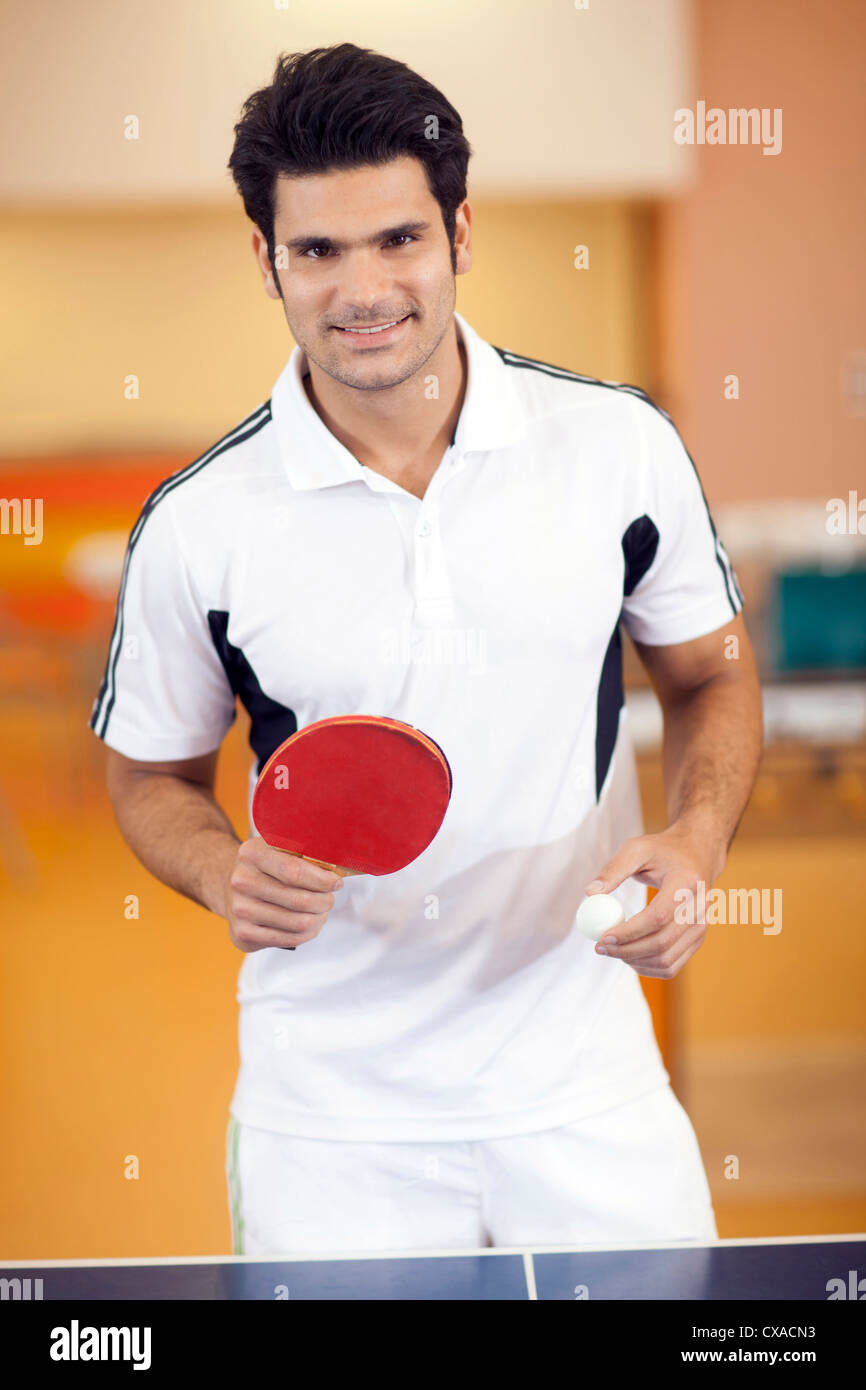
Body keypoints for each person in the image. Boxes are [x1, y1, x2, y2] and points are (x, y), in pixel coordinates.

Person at [91, 43, 762, 1255]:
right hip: (331, 1115)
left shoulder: (616, 449)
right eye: (318, 250)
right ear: (266, 260)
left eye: (397, 239)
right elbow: (150, 775)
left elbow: (709, 673)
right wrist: (217, 869)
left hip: (583, 1072)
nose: (362, 287)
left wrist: (696, 838)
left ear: (459, 233)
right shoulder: (199, 526)